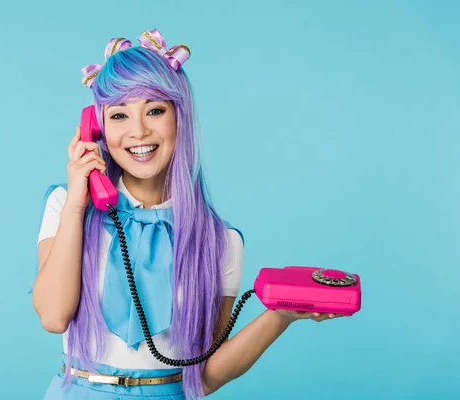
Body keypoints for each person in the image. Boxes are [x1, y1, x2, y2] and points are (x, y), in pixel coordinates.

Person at [29, 29, 346, 400]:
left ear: (180, 117)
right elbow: (53, 316)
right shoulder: (66, 206)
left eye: (155, 110)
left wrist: (281, 316)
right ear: (96, 128)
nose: (138, 131)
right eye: (118, 115)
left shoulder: (219, 241)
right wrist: (77, 205)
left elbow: (206, 377)